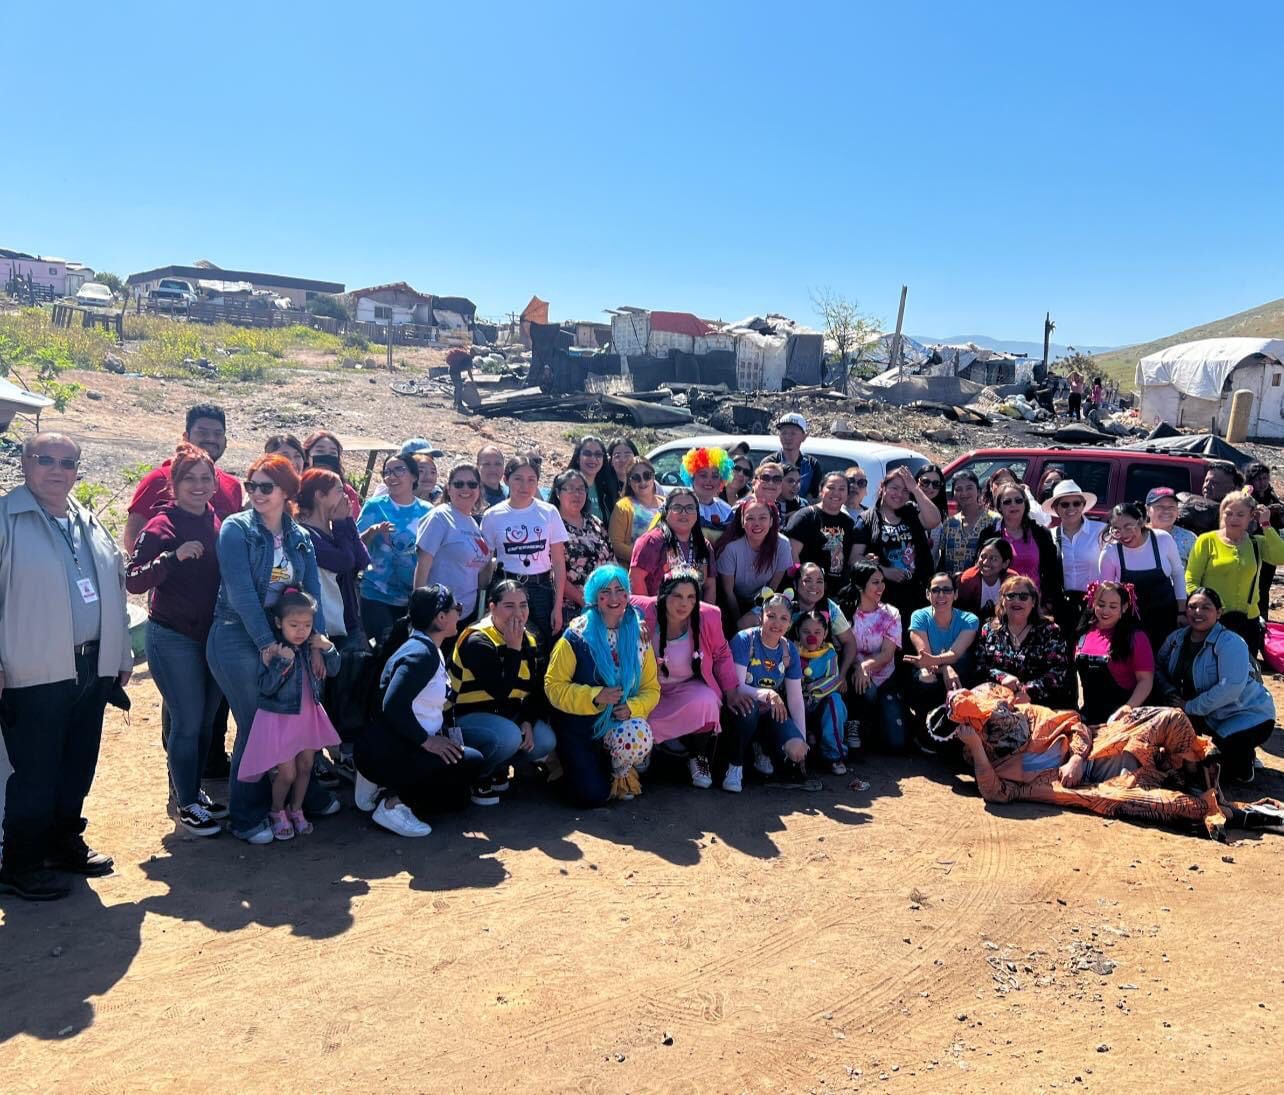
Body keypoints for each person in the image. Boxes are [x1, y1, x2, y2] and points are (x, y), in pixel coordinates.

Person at [0, 434, 133, 900]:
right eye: (45, 460)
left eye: (67, 462)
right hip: (33, 668)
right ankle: (19, 864)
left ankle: (62, 843)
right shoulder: (5, 519)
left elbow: (113, 589)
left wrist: (120, 656)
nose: (57, 470)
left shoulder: (86, 519)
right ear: (24, 463)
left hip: (90, 666)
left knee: (77, 763)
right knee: (33, 772)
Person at [206, 454, 335, 846]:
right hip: (236, 635)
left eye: (266, 486)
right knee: (256, 724)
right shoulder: (236, 529)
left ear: (286, 492)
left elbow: (313, 594)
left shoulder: (299, 537)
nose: (257, 494)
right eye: (252, 485)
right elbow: (242, 593)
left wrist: (317, 644)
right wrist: (266, 643)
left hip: (287, 637)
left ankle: (297, 799)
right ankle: (247, 816)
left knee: (295, 719)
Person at [939, 683, 1227, 838]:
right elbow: (995, 793)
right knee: (1140, 803)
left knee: (1170, 718)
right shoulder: (994, 764)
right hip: (1103, 784)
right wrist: (977, 748)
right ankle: (1210, 805)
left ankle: (1190, 765)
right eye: (990, 723)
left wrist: (1075, 759)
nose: (1001, 720)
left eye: (1000, 712)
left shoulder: (1029, 715)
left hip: (1105, 746)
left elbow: (1075, 724)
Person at [126, 443, 225, 837]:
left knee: (205, 723)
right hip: (173, 637)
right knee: (186, 722)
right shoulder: (161, 525)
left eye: (206, 478)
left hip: (212, 636)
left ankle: (194, 791)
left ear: (215, 483)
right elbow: (133, 579)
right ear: (174, 483)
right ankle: (185, 802)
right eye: (190, 479)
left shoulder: (219, 522)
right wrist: (171, 558)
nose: (198, 486)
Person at [356, 586, 485, 837]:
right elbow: (392, 705)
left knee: (456, 800)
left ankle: (382, 785)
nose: (460, 613)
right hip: (389, 749)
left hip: (393, 745)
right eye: (455, 609)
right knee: (470, 763)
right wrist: (427, 741)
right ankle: (392, 802)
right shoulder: (420, 653)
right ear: (440, 618)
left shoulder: (424, 646)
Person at [545, 565, 660, 805]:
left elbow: (651, 689)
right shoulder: (576, 636)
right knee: (590, 796)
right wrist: (595, 696)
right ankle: (561, 763)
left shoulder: (639, 635)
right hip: (579, 725)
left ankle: (618, 768)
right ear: (595, 597)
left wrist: (633, 708)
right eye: (605, 592)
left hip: (617, 722)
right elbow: (553, 687)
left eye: (620, 590)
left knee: (637, 732)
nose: (614, 598)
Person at [237, 591, 341, 840]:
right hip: (281, 719)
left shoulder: (311, 647)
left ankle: (296, 809)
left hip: (307, 716)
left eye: (307, 625)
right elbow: (265, 687)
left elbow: (334, 670)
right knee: (287, 773)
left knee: (306, 766)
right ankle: (276, 811)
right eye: (294, 625)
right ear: (278, 623)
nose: (301, 631)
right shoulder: (275, 651)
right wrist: (281, 663)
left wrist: (328, 648)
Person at [631, 570, 745, 789]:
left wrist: (731, 691)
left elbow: (722, 654)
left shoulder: (709, 615)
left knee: (707, 700)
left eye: (691, 597)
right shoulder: (641, 610)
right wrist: (633, 624)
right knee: (635, 714)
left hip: (686, 687)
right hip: (649, 690)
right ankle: (643, 748)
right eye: (677, 596)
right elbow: (612, 603)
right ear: (664, 595)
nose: (684, 603)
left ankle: (698, 755)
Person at [449, 581, 557, 804]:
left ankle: (498, 766)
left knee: (544, 739)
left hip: (505, 716)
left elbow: (535, 688)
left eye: (523, 605)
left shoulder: (530, 637)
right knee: (509, 736)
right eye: (509, 606)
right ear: (492, 607)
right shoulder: (476, 639)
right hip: (465, 718)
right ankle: (478, 775)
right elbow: (500, 690)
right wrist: (513, 649)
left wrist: (527, 719)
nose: (518, 613)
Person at [1156, 588, 1276, 783]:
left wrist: (1189, 706)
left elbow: (1229, 689)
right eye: (1192, 607)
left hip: (1249, 715)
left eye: (1206, 607)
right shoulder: (1176, 639)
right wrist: (1170, 693)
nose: (1197, 612)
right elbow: (1157, 667)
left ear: (1219, 612)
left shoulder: (1232, 643)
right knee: (1187, 764)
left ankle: (1244, 762)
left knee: (1213, 770)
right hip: (1208, 714)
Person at [123, 403, 242, 554]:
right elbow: (133, 540)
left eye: (218, 434)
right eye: (203, 432)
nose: (211, 439)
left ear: (225, 442)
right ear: (186, 437)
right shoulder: (159, 479)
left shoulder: (233, 485)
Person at [481, 454, 568, 652]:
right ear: (506, 479)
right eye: (518, 479)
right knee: (506, 644)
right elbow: (485, 560)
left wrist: (557, 606)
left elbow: (558, 561)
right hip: (507, 587)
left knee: (544, 646)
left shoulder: (549, 512)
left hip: (542, 588)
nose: (524, 485)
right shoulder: (492, 515)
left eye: (531, 480)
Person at [726, 593, 812, 792]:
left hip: (770, 713)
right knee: (748, 707)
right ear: (761, 617)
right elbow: (737, 686)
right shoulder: (744, 640)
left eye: (783, 618)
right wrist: (766, 693)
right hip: (741, 708)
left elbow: (796, 699)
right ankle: (734, 766)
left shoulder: (789, 650)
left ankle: (761, 748)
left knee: (797, 748)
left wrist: (802, 738)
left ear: (790, 624)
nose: (777, 623)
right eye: (771, 616)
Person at [1185, 489, 1284, 658]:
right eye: (1228, 513)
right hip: (1212, 622)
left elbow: (1280, 557)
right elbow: (1191, 580)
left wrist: (1266, 524)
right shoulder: (1207, 541)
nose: (1233, 519)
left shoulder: (1256, 543)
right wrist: (1204, 609)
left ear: (1251, 516)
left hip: (1247, 622)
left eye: (1240, 514)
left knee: (1244, 673)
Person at [852, 466, 941, 629]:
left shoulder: (911, 512)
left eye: (905, 491)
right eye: (894, 488)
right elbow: (854, 559)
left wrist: (915, 488)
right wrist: (884, 570)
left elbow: (934, 520)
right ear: (883, 487)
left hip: (916, 595)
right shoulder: (867, 519)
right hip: (883, 597)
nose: (899, 495)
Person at [356, 453, 432, 645]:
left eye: (399, 470)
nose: (392, 476)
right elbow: (355, 546)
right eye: (387, 472)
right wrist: (372, 532)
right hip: (375, 593)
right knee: (381, 648)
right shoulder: (374, 507)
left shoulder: (427, 511)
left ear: (414, 476)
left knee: (403, 649)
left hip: (411, 597)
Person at [297, 468, 370, 652]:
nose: (345, 497)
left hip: (350, 623)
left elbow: (363, 561)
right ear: (320, 495)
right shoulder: (306, 535)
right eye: (339, 491)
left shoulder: (337, 528)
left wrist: (347, 521)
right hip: (328, 628)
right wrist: (340, 523)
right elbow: (343, 561)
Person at [1099, 502, 1185, 654]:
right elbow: (1106, 593)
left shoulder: (1163, 539)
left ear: (1141, 522)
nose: (1124, 534)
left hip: (1167, 617)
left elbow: (1178, 574)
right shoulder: (1110, 552)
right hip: (1132, 624)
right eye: (1117, 530)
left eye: (1128, 526)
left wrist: (1182, 612)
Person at [413, 462, 492, 627]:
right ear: (448, 488)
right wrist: (418, 610)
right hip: (439, 614)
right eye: (458, 484)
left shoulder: (473, 523)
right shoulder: (440, 517)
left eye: (472, 484)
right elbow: (423, 565)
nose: (466, 489)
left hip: (467, 614)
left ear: (479, 489)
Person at [974, 574, 1068, 707]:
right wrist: (1002, 677)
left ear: (1033, 601)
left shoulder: (1050, 631)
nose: (1016, 601)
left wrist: (1028, 692)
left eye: (1023, 597)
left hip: (1039, 706)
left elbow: (1059, 671)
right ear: (1002, 600)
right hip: (995, 702)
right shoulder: (989, 630)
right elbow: (980, 667)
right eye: (1011, 596)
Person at [846, 563, 909, 752]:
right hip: (854, 677)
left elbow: (887, 654)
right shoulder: (845, 612)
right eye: (875, 582)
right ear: (860, 584)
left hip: (884, 678)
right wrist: (858, 668)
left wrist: (864, 666)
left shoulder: (891, 613)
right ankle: (854, 722)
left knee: (896, 742)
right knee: (865, 688)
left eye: (882, 582)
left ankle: (873, 723)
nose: (881, 587)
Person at [1073, 581, 1154, 725]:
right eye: (1101, 604)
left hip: (1122, 720)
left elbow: (1145, 680)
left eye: (1113, 606)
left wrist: (1128, 708)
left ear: (1124, 607)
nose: (1105, 611)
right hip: (1088, 718)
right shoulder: (1083, 632)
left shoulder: (1136, 637)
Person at [905, 572, 980, 727]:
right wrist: (944, 668)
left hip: (958, 671)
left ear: (956, 594)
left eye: (947, 590)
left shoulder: (969, 620)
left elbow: (955, 654)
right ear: (927, 594)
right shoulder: (919, 616)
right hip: (931, 670)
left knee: (960, 672)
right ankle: (923, 728)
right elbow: (926, 658)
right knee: (926, 677)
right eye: (935, 590)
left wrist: (946, 666)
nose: (941, 595)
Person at [1043, 480, 1106, 646]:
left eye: (1076, 503)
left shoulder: (1101, 531)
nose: (1071, 508)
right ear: (1056, 509)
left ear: (1083, 505)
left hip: (1096, 605)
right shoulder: (1049, 536)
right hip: (1062, 606)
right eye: (1064, 504)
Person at [715, 499, 794, 629]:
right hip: (733, 604)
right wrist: (739, 623)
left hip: (763, 600)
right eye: (750, 518)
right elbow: (728, 593)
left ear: (771, 521)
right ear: (742, 522)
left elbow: (772, 587)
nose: (756, 524)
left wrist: (757, 613)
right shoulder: (731, 549)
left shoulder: (782, 544)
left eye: (763, 518)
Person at [550, 469, 613, 631]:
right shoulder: (552, 524)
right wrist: (586, 601)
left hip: (604, 604)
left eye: (580, 489)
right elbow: (554, 570)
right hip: (571, 607)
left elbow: (611, 561)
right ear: (558, 493)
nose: (576, 494)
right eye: (570, 489)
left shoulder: (595, 522)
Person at [629, 488, 715, 601]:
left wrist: (705, 617)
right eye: (677, 508)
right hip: (657, 614)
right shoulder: (651, 542)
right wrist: (650, 614)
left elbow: (710, 586)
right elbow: (635, 579)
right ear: (666, 511)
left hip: (694, 615)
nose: (684, 513)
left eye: (690, 508)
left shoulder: (704, 545)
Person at [786, 472, 859, 602]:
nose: (836, 493)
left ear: (847, 494)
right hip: (808, 593)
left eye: (842, 489)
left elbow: (850, 559)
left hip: (836, 595)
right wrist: (802, 584)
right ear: (821, 490)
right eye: (831, 488)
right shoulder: (805, 517)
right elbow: (792, 554)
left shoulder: (848, 523)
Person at [983, 483, 1062, 601]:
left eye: (1018, 500)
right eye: (1007, 502)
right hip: (999, 602)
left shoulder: (1041, 534)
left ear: (1025, 504)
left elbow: (1052, 573)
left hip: (1034, 603)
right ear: (999, 507)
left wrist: (1048, 603)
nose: (1013, 505)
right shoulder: (989, 534)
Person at [794, 609, 849, 774]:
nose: (812, 637)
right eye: (806, 632)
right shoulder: (791, 650)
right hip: (797, 704)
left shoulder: (829, 654)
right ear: (797, 632)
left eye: (817, 632)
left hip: (819, 706)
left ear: (825, 633)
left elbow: (834, 678)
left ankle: (834, 755)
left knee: (835, 700)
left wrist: (814, 689)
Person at [936, 470, 998, 575]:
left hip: (981, 585)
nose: (964, 493)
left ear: (978, 491)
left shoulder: (994, 520)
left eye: (969, 488)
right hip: (953, 587)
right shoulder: (949, 523)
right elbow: (942, 560)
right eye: (959, 489)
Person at [1244, 462, 1284, 620]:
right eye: (1258, 479)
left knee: (1264, 586)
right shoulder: (1246, 495)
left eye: (1265, 478)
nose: (1263, 482)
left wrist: (1277, 511)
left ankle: (1263, 619)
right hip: (1250, 545)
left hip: (1268, 546)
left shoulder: (1272, 495)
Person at [610, 457, 663, 564]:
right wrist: (644, 559)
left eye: (647, 476)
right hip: (635, 572)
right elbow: (616, 544)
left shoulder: (666, 504)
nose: (642, 481)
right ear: (629, 482)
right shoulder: (623, 507)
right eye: (636, 478)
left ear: (653, 477)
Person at [680, 446, 735, 543]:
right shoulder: (680, 505)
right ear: (692, 477)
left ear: (721, 480)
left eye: (715, 476)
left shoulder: (726, 510)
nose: (709, 480)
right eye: (703, 475)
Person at [303, 429, 362, 514]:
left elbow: (354, 523)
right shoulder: (296, 489)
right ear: (307, 456)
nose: (327, 457)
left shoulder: (347, 492)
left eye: (332, 452)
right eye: (320, 451)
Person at [767, 413, 822, 501]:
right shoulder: (770, 462)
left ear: (804, 437)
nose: (788, 437)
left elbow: (815, 497)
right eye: (784, 432)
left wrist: (799, 513)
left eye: (793, 433)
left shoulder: (812, 464)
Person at [956, 539, 1013, 620]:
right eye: (983, 557)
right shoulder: (968, 579)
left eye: (993, 559)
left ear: (1005, 563)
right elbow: (962, 613)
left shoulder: (1012, 580)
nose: (986, 562)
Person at [569, 435, 618, 523]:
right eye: (587, 453)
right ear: (577, 458)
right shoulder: (566, 487)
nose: (593, 458)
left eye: (598, 454)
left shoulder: (607, 489)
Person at [1145, 486, 1196, 567]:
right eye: (1160, 506)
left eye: (1171, 507)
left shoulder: (1189, 538)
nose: (1166, 511)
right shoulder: (1135, 535)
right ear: (1147, 510)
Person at [914, 464, 949, 557]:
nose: (930, 487)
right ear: (916, 482)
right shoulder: (907, 509)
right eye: (925, 482)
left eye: (936, 484)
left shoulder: (942, 512)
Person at [477, 444, 508, 509]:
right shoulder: (473, 497)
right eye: (487, 464)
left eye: (497, 464)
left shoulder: (510, 493)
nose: (493, 469)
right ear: (478, 466)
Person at [447, 347, 475, 411]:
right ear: (473, 353)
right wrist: (473, 382)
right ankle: (458, 404)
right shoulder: (468, 358)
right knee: (459, 387)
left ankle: (457, 403)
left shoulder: (465, 356)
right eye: (475, 353)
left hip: (453, 370)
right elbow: (469, 372)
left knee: (457, 387)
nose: (475, 355)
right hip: (454, 371)